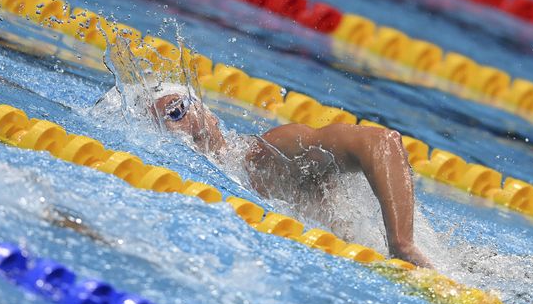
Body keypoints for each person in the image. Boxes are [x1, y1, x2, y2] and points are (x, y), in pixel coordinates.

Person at [150, 84, 432, 268]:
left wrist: (402, 244)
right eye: (168, 120)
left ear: (209, 114)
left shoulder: (264, 155)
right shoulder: (204, 186)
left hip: (403, 267)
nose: (182, 125)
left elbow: (381, 142)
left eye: (178, 110)